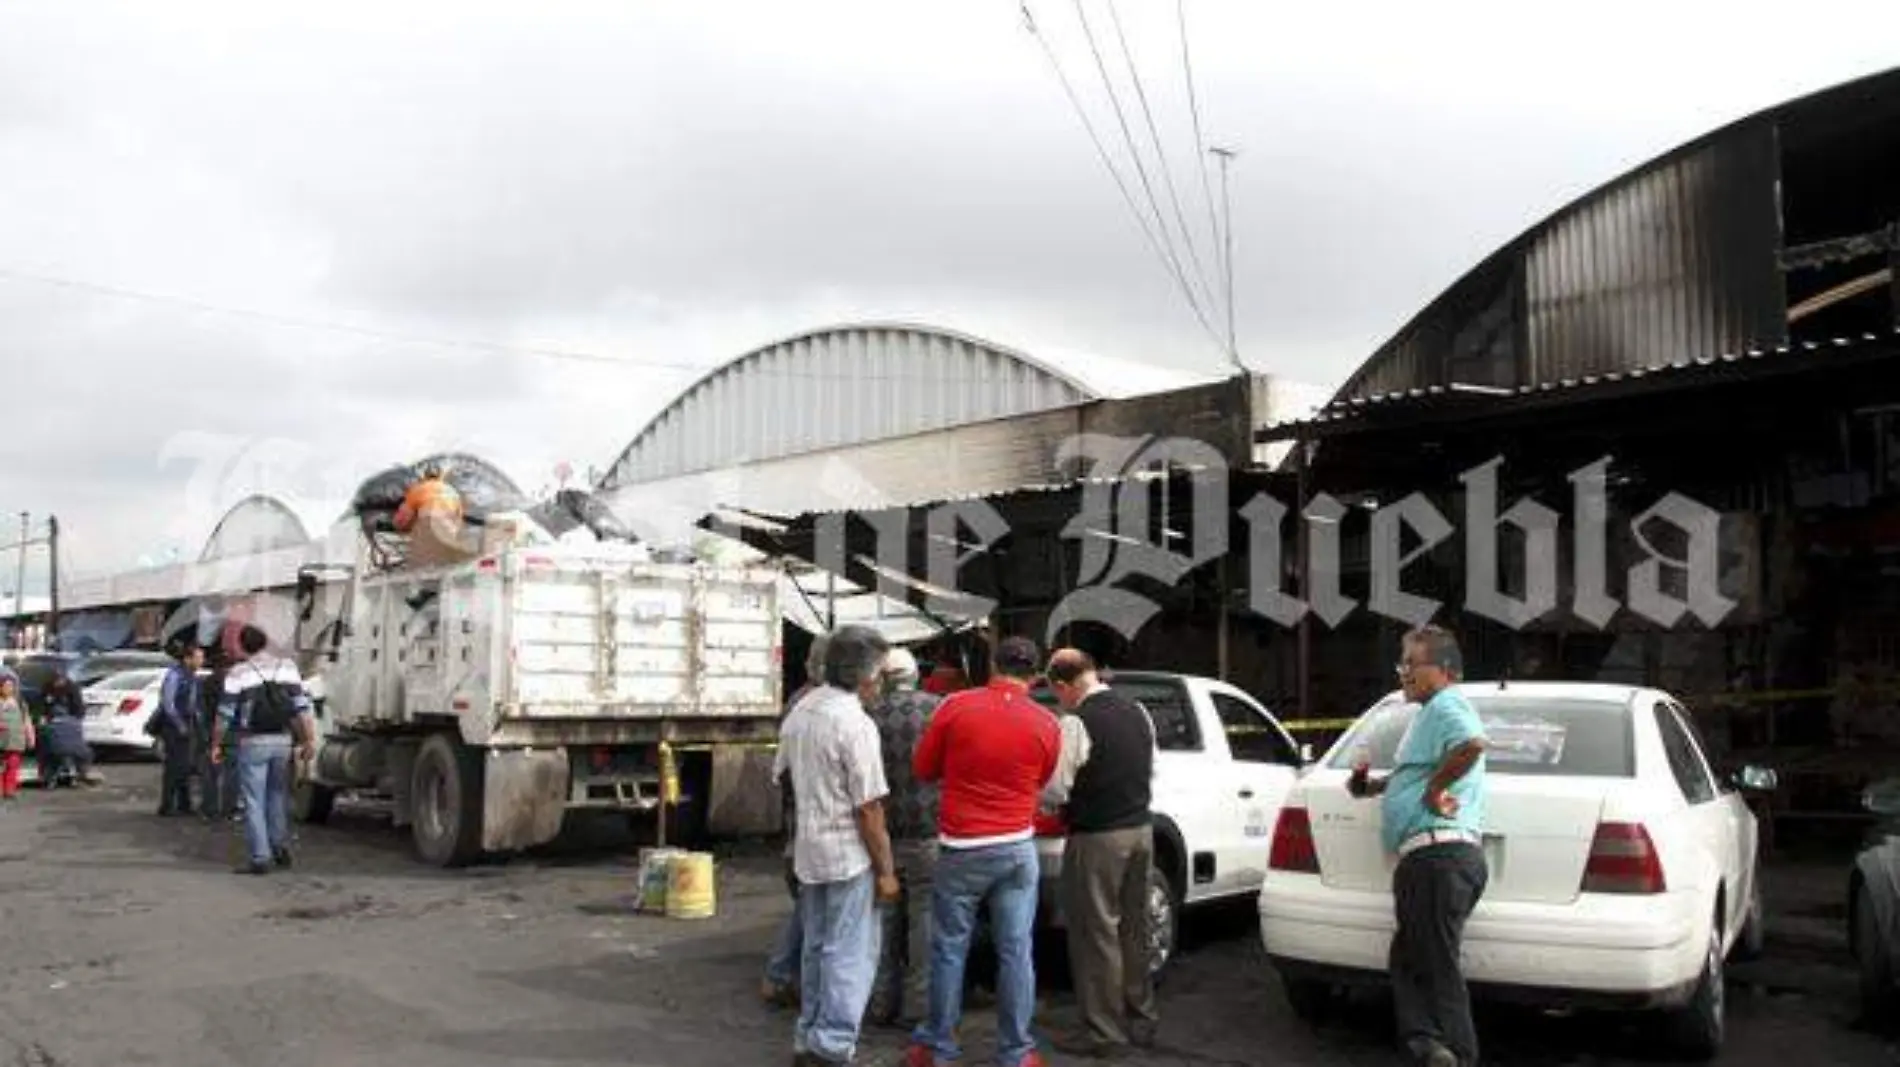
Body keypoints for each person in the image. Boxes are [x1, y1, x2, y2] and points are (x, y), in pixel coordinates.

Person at [906, 636, 1061, 1067]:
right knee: (1016, 950)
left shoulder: (955, 706)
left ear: (993, 665)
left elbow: (923, 768)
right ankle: (1017, 1052)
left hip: (962, 848)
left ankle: (937, 1047)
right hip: (1016, 847)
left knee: (949, 948)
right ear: (1035, 672)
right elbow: (1042, 780)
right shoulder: (1047, 722)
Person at [1347, 625, 1489, 1067]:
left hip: (1437, 857)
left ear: (1444, 670)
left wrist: (1433, 791)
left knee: (1435, 964)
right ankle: (1428, 1044)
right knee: (1409, 956)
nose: (1403, 672)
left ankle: (1457, 1053)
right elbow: (1416, 772)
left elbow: (1472, 745)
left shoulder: (1448, 704)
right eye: (1401, 663)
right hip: (1430, 859)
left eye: (1412, 663)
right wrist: (1370, 786)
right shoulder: (1429, 712)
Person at [773, 625, 901, 1067]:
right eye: (880, 675)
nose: (880, 683)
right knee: (850, 951)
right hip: (848, 854)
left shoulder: (801, 710)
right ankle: (832, 1045)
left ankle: (810, 1036)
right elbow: (869, 809)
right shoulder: (854, 723)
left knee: (817, 947)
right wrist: (886, 871)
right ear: (866, 677)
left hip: (810, 849)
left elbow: (784, 780)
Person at [1041, 649, 1160, 1057]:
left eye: (1057, 693)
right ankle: (1141, 1018)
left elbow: (1057, 787)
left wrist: (1045, 802)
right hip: (1141, 831)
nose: (1060, 701)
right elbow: (1151, 767)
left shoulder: (1077, 721)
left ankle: (1105, 1033)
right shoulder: (1137, 711)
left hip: (1098, 836)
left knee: (1096, 935)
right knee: (1134, 928)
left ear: (1064, 684)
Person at [866, 646, 942, 1029]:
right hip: (929, 830)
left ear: (884, 677)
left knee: (884, 923)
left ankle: (880, 1004)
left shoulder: (869, 715)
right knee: (924, 924)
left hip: (882, 834)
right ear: (916, 675)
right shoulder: (939, 709)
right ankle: (919, 1009)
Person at [213, 624, 317, 876]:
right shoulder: (287, 667)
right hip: (283, 740)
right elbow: (302, 707)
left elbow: (225, 714)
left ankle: (260, 857)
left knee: (253, 800)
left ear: (242, 646)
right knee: (278, 796)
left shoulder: (238, 673)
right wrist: (309, 740)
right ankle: (279, 847)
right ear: (265, 643)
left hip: (252, 742)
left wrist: (216, 743)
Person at [763, 632, 830, 1010]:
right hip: (811, 822)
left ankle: (782, 974)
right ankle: (783, 975)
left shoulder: (799, 703)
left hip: (802, 821)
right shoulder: (812, 707)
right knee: (812, 903)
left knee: (809, 902)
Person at [155, 643, 203, 817]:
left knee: (185, 765)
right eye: (198, 658)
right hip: (174, 726)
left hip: (188, 723)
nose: (201, 661)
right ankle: (167, 804)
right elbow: (168, 704)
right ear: (187, 658)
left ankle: (185, 803)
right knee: (174, 766)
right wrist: (179, 724)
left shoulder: (192, 676)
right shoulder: (174, 675)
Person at [0, 671, 34, 802]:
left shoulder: (19, 702)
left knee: (13, 765)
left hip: (16, 739)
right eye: (6, 686)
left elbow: (27, 720)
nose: (9, 688)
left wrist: (30, 736)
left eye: (11, 686)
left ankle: (10, 790)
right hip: (1, 739)